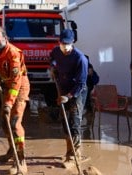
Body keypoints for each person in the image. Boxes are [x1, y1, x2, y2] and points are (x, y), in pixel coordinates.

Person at [0, 26, 30, 174]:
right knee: (4, 123)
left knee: (14, 122)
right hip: (7, 86)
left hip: (19, 88)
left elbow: (16, 81)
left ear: (5, 38)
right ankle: (11, 149)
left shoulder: (14, 53)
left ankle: (21, 159)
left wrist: (8, 102)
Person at [50, 29, 88, 162]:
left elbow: (81, 83)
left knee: (74, 122)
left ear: (73, 42)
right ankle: (69, 151)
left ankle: (75, 153)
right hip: (63, 88)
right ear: (59, 42)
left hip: (77, 92)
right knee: (64, 120)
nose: (64, 47)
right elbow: (52, 59)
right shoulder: (56, 51)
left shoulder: (80, 59)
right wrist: (53, 67)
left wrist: (69, 96)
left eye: (67, 44)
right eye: (62, 43)